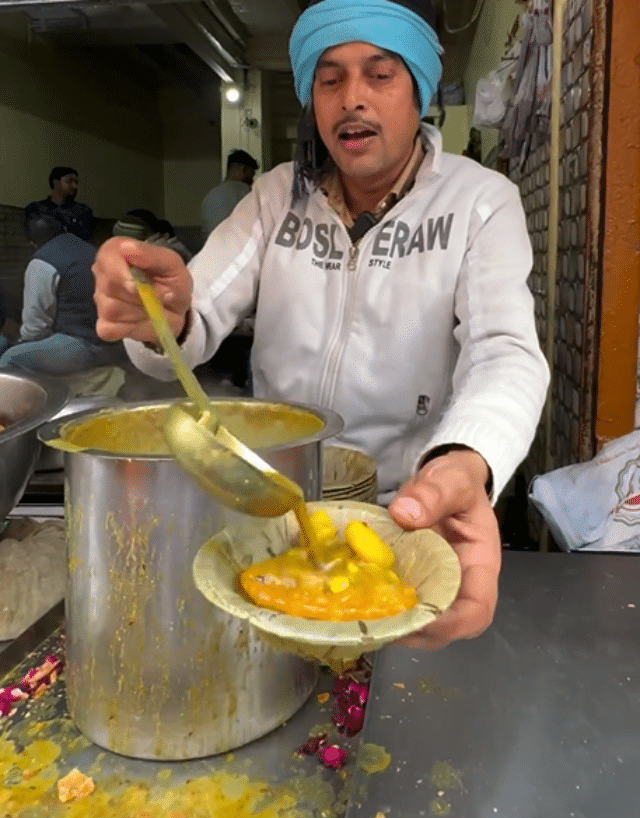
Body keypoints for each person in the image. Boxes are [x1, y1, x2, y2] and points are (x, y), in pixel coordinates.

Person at [92, 0, 550, 651]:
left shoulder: (478, 202)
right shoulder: (276, 195)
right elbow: (198, 312)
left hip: (406, 516)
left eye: (379, 74)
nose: (351, 99)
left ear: (418, 90)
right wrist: (159, 318)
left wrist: (465, 457)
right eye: (330, 78)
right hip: (276, 515)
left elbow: (505, 352)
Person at [0, 215, 124, 374]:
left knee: (11, 358)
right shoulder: (91, 250)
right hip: (115, 342)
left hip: (85, 345)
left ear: (32, 243)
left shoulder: (43, 261)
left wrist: (19, 342)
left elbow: (35, 328)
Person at [24, 167, 94, 241]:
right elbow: (33, 237)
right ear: (56, 182)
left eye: (76, 182)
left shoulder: (84, 210)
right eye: (69, 181)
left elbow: (87, 239)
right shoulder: (36, 208)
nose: (74, 186)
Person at [200, 149, 259, 236]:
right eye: (252, 174)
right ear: (243, 169)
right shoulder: (244, 191)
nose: (253, 179)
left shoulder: (210, 195)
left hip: (211, 247)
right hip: (236, 246)